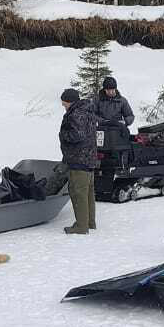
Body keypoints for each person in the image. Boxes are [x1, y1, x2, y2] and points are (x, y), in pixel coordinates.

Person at [59, 88, 98, 234]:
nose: (63, 105)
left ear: (69, 101)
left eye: (64, 102)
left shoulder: (76, 114)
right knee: (88, 192)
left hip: (78, 159)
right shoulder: (87, 111)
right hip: (89, 158)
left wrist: (63, 134)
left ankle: (81, 226)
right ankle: (89, 222)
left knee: (78, 192)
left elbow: (77, 135)